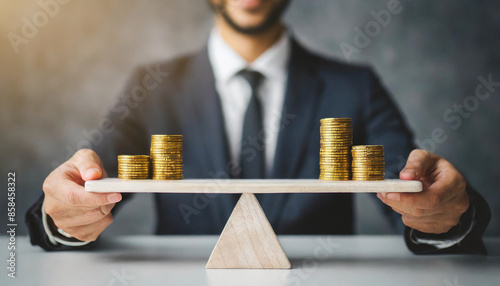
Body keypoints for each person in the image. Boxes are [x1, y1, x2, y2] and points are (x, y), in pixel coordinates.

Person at [26, 0, 490, 254]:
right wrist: (64, 218)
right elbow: (86, 185)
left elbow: (413, 192)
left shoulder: (355, 86)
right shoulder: (152, 87)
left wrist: (444, 216)